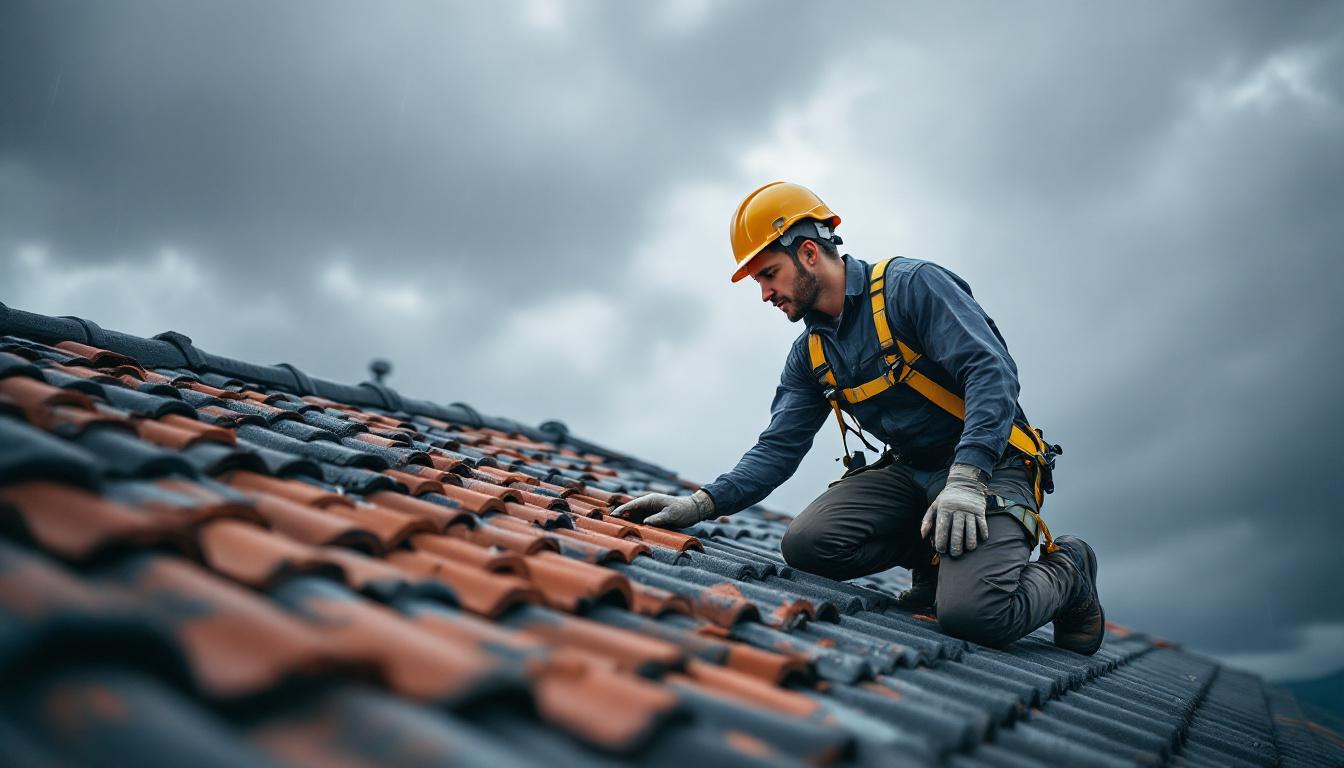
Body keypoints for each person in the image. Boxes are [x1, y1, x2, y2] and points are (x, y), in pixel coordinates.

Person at [615, 182, 1105, 655]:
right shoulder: (811, 354)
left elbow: (991, 373)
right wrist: (701, 504)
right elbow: (778, 448)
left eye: (768, 274)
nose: (764, 294)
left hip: (992, 466)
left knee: (977, 617)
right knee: (807, 545)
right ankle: (932, 559)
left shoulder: (911, 287)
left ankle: (1071, 572)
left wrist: (967, 476)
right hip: (913, 472)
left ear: (808, 253)